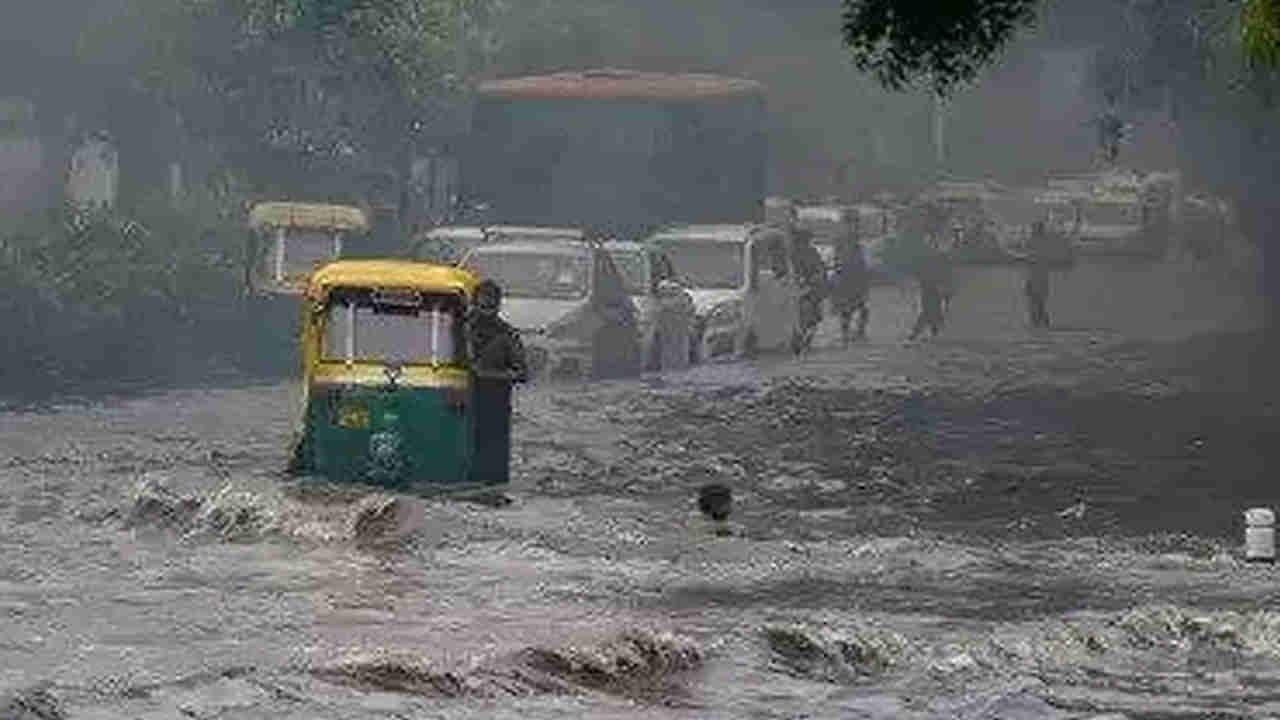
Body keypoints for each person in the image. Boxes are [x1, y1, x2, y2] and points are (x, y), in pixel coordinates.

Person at [467, 279, 528, 485]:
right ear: (473, 303)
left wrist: (485, 375)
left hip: (495, 407)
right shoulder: (458, 329)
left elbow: (522, 374)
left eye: (491, 307)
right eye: (482, 306)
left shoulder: (507, 335)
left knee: (492, 467)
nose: (486, 312)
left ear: (499, 306)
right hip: (461, 405)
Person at [831, 211, 870, 346]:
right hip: (847, 276)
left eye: (856, 222)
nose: (855, 225)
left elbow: (858, 258)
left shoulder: (853, 238)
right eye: (853, 222)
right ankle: (847, 335)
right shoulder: (842, 239)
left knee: (861, 308)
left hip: (854, 276)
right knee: (848, 309)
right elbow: (839, 258)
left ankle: (856, 333)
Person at [908, 241, 947, 341]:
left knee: (929, 311)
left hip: (930, 287)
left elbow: (918, 272)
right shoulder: (937, 257)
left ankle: (920, 333)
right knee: (932, 311)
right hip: (930, 287)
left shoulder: (932, 258)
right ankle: (933, 332)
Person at [1025, 221, 1052, 330]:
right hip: (1039, 278)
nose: (1031, 231)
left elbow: (1031, 259)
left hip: (1036, 278)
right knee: (1038, 303)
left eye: (1033, 229)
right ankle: (1040, 323)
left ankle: (1038, 323)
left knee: (1035, 302)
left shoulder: (1034, 242)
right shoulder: (1044, 242)